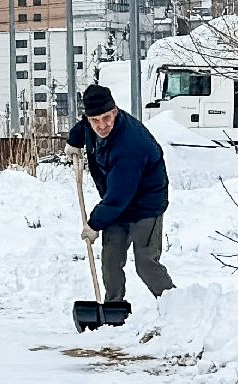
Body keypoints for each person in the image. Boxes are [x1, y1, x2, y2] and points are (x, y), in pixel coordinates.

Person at [66, 83, 174, 303]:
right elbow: (82, 128)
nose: (102, 125)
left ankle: (176, 305)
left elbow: (118, 195)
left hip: (146, 204)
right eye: (95, 120)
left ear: (115, 111)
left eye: (106, 118)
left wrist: (94, 224)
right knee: (111, 260)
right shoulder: (91, 124)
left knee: (145, 263)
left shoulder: (130, 144)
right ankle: (113, 307)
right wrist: (74, 142)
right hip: (117, 204)